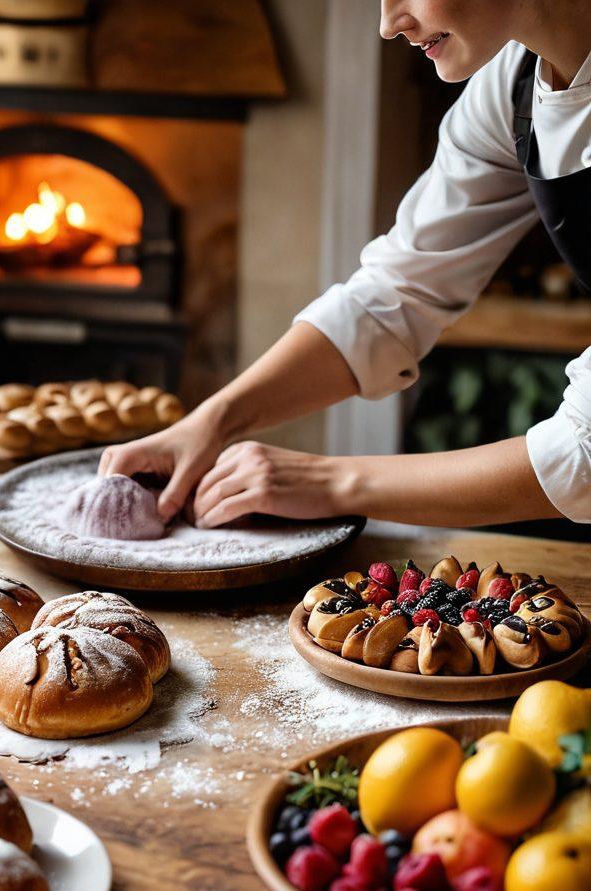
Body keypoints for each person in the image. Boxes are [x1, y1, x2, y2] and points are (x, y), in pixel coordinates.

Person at [100, 0, 591, 529]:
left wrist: (333, 483)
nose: (388, 23)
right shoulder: (514, 83)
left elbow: (584, 455)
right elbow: (399, 291)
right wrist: (213, 422)